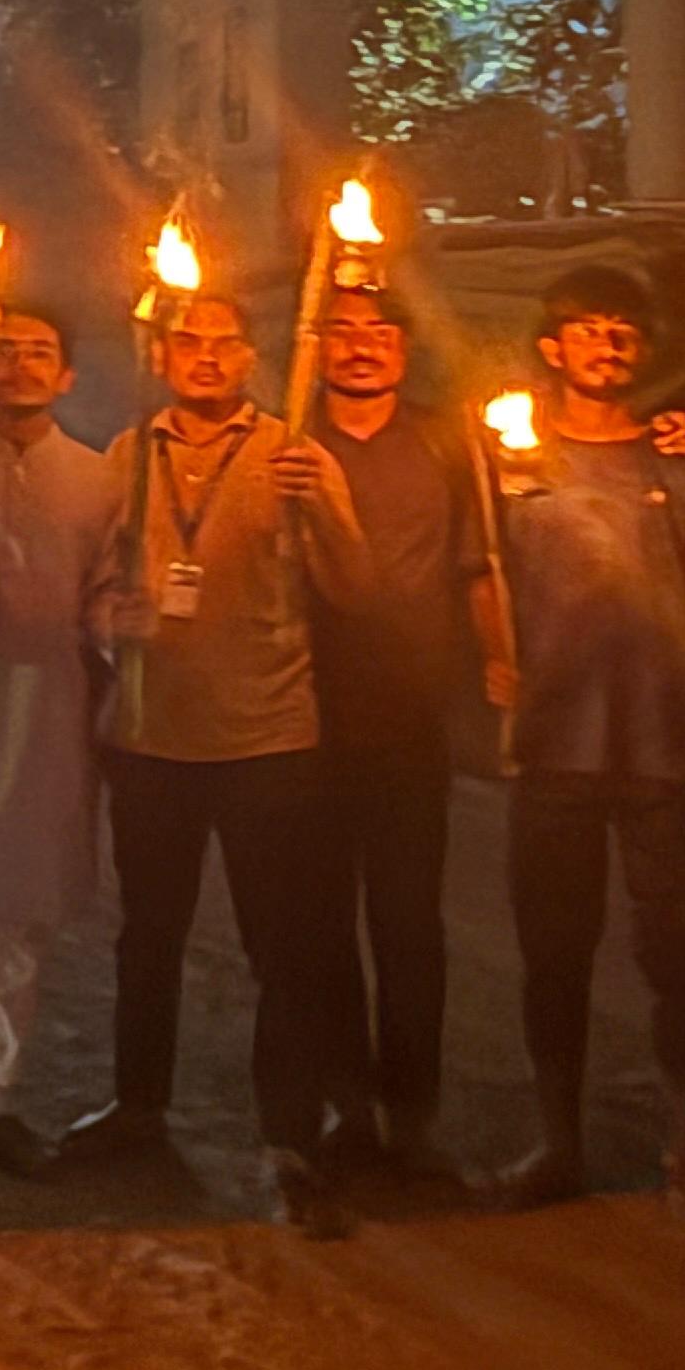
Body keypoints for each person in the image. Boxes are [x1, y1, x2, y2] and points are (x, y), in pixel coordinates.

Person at [73, 286, 378, 1236]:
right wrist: (104, 621)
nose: (206, 355)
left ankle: (287, 1135)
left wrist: (324, 509)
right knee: (148, 937)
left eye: (224, 341)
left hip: (268, 739)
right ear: (161, 353)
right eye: (187, 340)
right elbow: (96, 586)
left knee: (279, 945)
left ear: (252, 356)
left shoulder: (295, 455)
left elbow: (357, 591)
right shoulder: (129, 455)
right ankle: (137, 1109)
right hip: (151, 735)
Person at [494, 259, 685, 1241]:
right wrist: (495, 674)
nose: (609, 344)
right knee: (552, 958)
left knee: (682, 962)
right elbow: (482, 578)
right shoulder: (510, 460)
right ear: (554, 348)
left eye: (624, 331)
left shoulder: (684, 471)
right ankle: (557, 1145)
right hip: (550, 749)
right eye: (589, 328)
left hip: (662, 753)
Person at [300, 287, 505, 1178]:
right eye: (340, 331)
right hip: (304, 713)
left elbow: (483, 561)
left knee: (410, 922)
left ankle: (411, 1114)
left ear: (404, 346)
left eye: (379, 332)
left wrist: (501, 662)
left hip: (413, 714)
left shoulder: (447, 441)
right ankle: (346, 1106)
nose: (360, 347)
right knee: (323, 922)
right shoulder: (285, 439)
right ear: (314, 345)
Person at [0, 302, 117, 1181]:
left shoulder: (100, 479)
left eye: (38, 352)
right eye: (2, 350)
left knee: (18, 914)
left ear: (66, 375)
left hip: (48, 702)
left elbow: (110, 593)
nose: (18, 364)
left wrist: (116, 619)